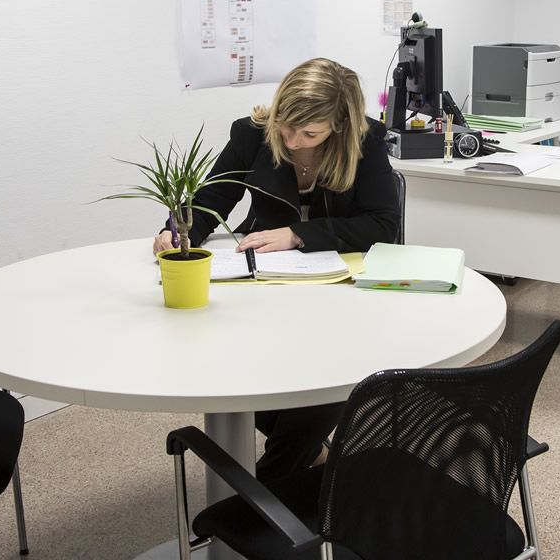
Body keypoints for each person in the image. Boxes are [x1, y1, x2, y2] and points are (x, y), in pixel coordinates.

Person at [152, 57, 400, 481]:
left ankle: (266, 493)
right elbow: (213, 200)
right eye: (286, 126)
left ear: (340, 124)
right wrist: (173, 230)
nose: (291, 140)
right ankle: (294, 469)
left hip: (339, 286)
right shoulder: (251, 134)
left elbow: (383, 225)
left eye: (309, 133)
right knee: (244, 366)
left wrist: (300, 233)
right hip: (265, 280)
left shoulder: (368, 140)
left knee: (333, 374)